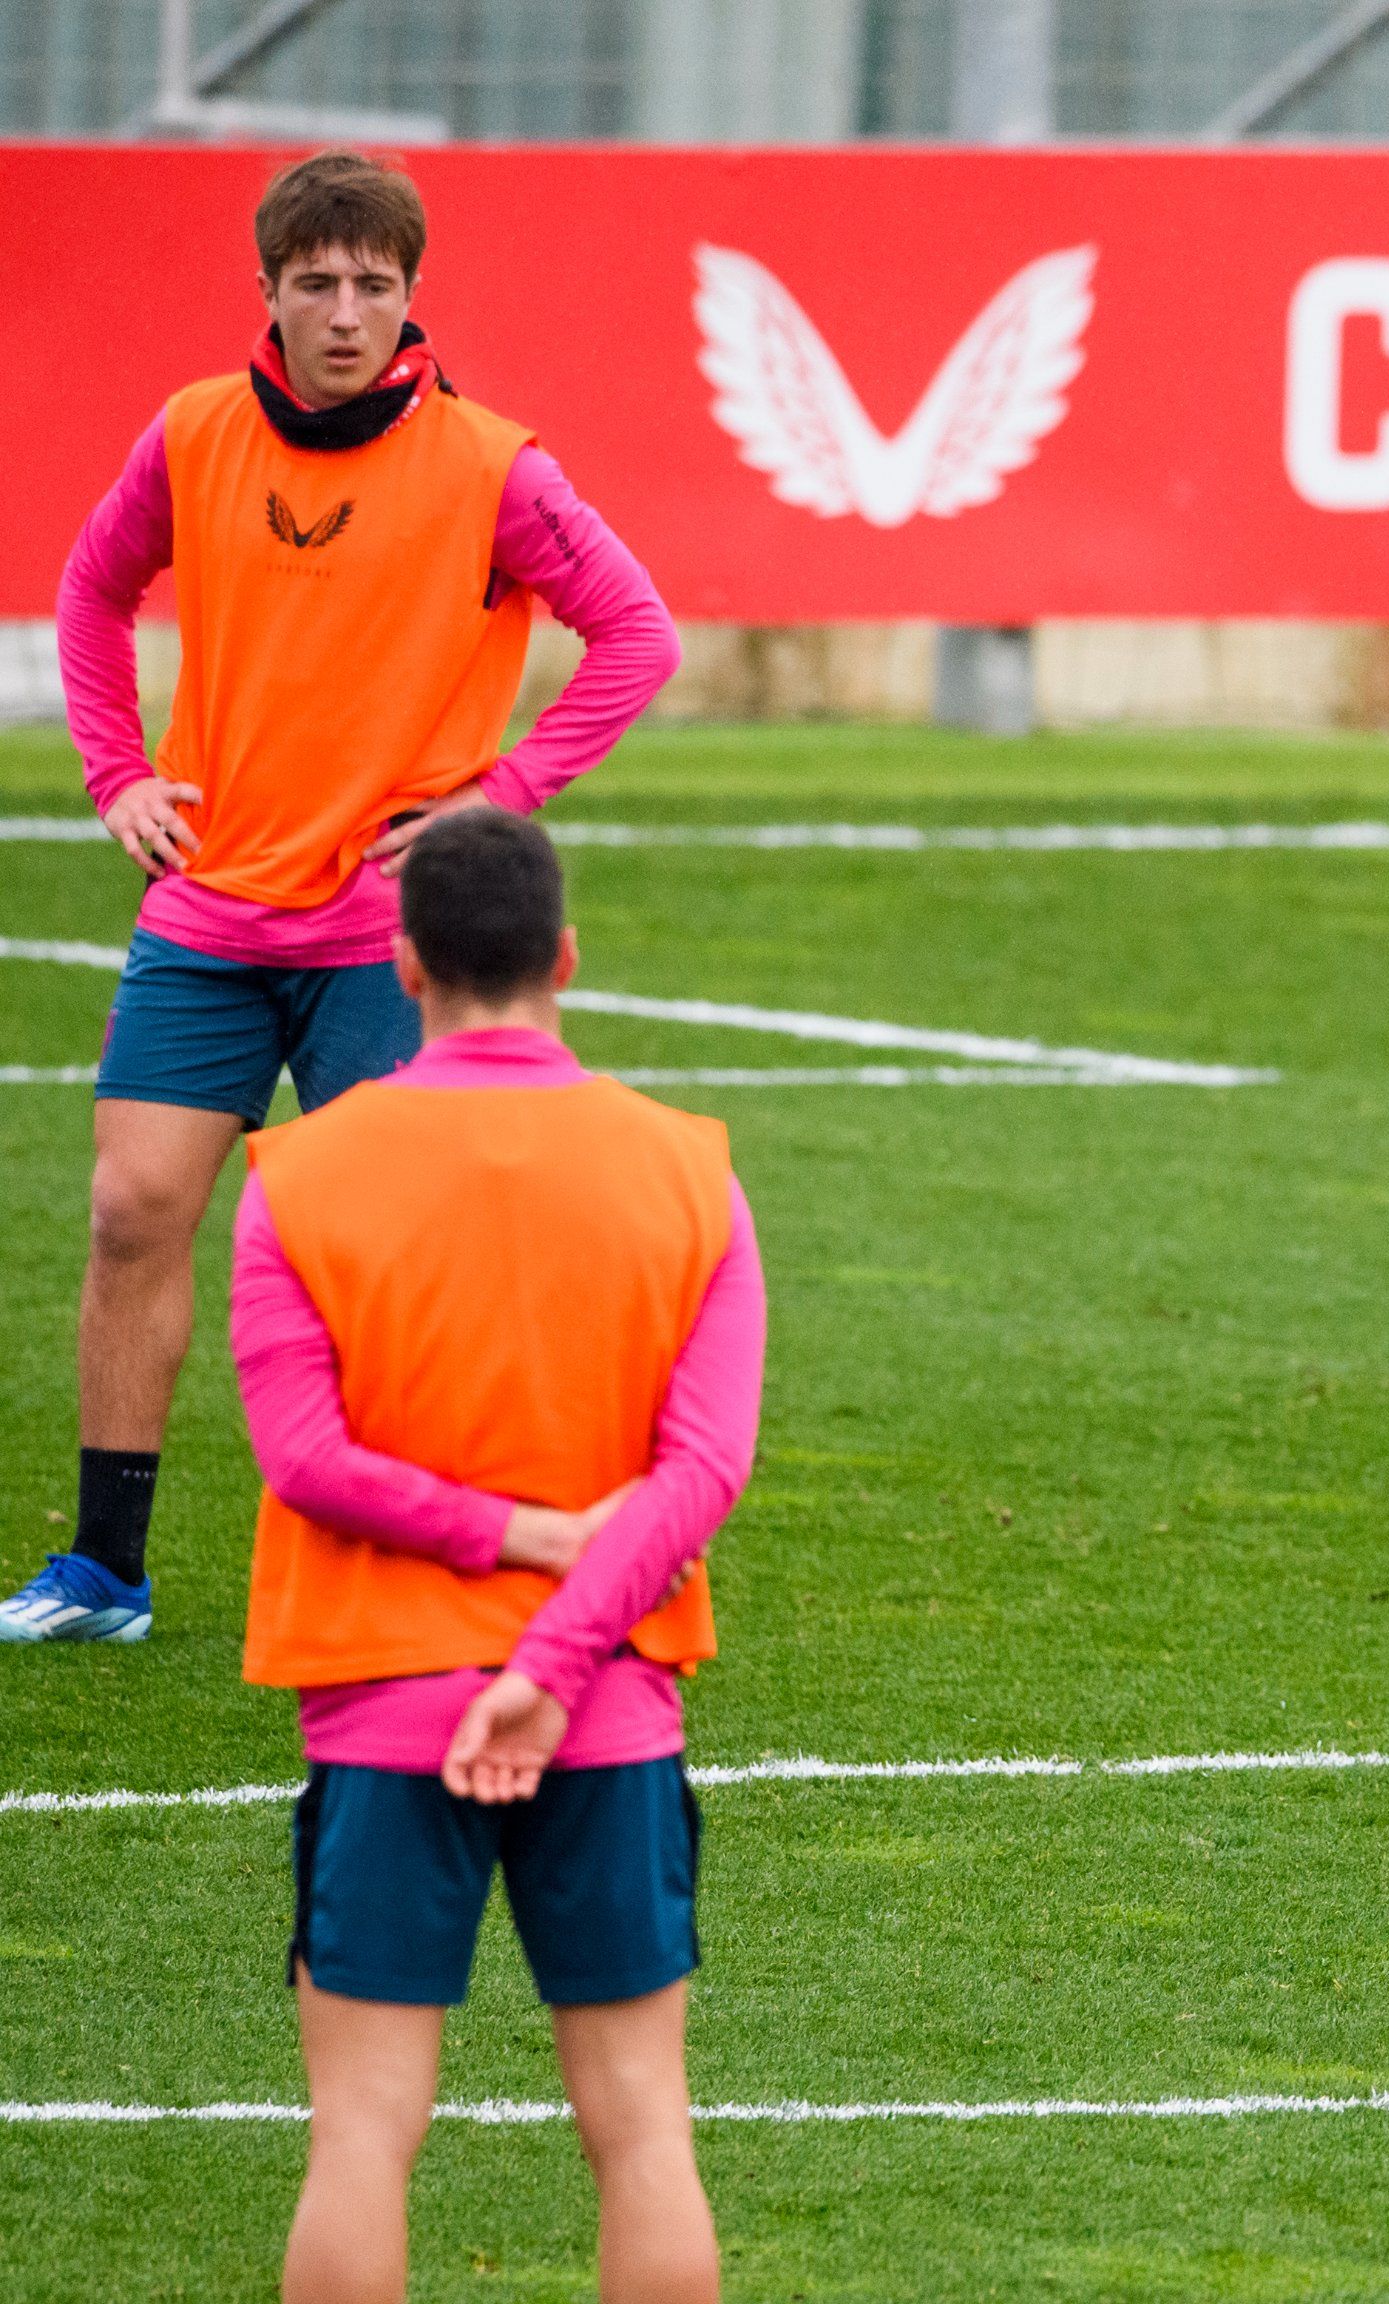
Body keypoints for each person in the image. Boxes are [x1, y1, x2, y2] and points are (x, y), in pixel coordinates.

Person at [2, 149, 680, 1647]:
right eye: (317, 283)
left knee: (390, 1258)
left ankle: (446, 1555)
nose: (347, 313)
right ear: (269, 291)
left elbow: (637, 634)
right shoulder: (191, 433)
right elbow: (92, 588)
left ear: (410, 294)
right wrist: (117, 773)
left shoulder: (496, 465)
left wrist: (501, 793)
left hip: (382, 936)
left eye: (374, 284)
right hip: (207, 914)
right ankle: (103, 1573)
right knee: (131, 1213)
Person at [238, 811, 757, 2304]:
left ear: (402, 965)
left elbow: (305, 1459)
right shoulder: (688, 1170)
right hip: (608, 1708)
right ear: (566, 958)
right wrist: (550, 1657)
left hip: (383, 1707)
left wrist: (497, 1542)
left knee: (360, 2136)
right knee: (644, 2129)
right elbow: (703, 1473)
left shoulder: (301, 1172)